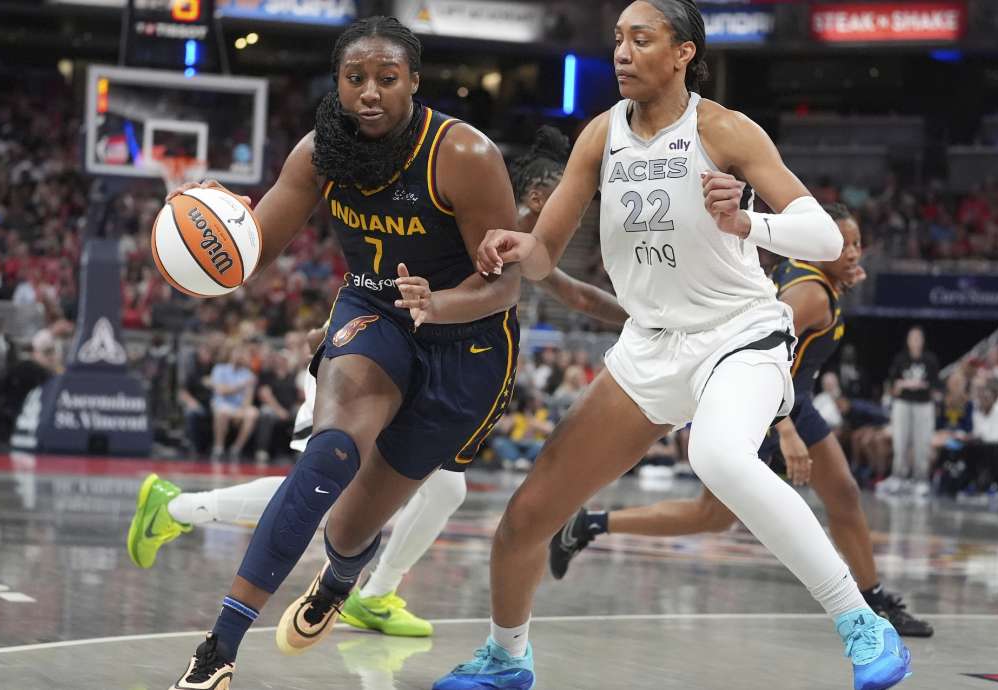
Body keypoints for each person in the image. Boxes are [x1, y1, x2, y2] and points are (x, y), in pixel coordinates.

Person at [436, 2, 911, 689]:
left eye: (641, 39)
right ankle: (507, 658)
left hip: (738, 334)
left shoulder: (723, 129)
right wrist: (522, 247)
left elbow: (826, 239)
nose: (622, 52)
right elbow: (545, 255)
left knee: (716, 454)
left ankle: (861, 621)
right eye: (618, 40)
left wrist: (747, 221)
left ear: (684, 52)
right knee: (525, 519)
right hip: (650, 347)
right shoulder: (600, 135)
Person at [128, 126, 628, 647]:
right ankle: (177, 509)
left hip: (436, 366)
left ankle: (373, 592)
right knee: (322, 484)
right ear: (544, 196)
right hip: (366, 349)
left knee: (443, 488)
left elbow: (577, 294)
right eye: (576, 197)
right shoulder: (492, 222)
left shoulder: (518, 239)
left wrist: (646, 316)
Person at [157, 17, 530, 689]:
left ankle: (341, 580)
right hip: (373, 310)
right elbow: (250, 256)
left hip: (468, 343)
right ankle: (220, 646)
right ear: (338, 82)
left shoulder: (463, 154)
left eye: (387, 79)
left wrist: (441, 304)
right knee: (331, 450)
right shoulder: (317, 153)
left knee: (352, 532)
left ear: (414, 82)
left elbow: (506, 282)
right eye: (355, 78)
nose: (370, 93)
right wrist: (213, 236)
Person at [548, 204, 934, 639]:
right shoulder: (809, 294)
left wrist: (838, 274)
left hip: (793, 400)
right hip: (765, 397)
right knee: (714, 516)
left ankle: (874, 598)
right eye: (842, 244)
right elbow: (768, 345)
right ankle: (587, 524)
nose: (853, 253)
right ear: (817, 247)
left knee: (837, 494)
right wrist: (784, 428)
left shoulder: (812, 276)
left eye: (858, 244)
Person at [879, 326, 941, 497]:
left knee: (922, 442)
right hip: (903, 404)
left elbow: (935, 387)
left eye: (918, 338)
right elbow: (893, 386)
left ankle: (921, 479)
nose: (915, 341)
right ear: (908, 340)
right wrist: (902, 385)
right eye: (912, 338)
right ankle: (898, 476)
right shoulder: (901, 359)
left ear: (922, 341)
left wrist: (922, 386)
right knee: (900, 440)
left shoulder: (930, 360)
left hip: (923, 405)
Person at [209, 343, 258, 461]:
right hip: (222, 405)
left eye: (242, 354)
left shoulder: (249, 374)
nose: (239, 357)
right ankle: (218, 448)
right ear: (231, 354)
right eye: (237, 353)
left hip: (238, 408)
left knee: (253, 413)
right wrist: (241, 385)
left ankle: (236, 449)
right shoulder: (219, 369)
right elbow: (221, 391)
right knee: (222, 412)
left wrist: (242, 411)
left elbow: (248, 398)